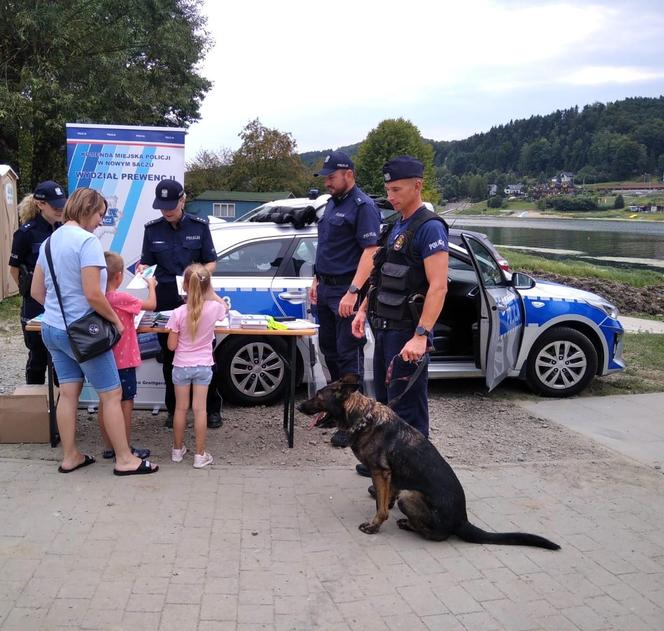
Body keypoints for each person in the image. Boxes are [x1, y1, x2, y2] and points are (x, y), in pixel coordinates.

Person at [31, 187, 158, 475]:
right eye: (100, 214)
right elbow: (93, 294)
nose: (101, 220)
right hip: (84, 333)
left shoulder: (49, 242)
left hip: (52, 328)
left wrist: (60, 311)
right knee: (112, 395)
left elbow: (36, 291)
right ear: (88, 209)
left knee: (68, 393)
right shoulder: (87, 242)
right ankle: (125, 459)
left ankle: (70, 456)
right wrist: (115, 321)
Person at [352, 156, 449, 477]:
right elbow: (379, 276)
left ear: (417, 185)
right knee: (386, 405)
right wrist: (363, 309)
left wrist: (421, 336)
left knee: (408, 410)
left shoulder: (429, 227)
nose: (390, 195)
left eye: (397, 189)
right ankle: (385, 463)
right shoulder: (396, 225)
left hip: (408, 333)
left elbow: (438, 287)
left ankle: (413, 477)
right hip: (384, 329)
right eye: (387, 189)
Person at [137, 179, 223, 429]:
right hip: (165, 302)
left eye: (171, 206)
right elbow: (146, 262)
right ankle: (174, 410)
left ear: (183, 200)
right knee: (170, 356)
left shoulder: (199, 226)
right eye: (162, 206)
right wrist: (143, 269)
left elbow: (211, 263)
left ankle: (211, 411)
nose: (166, 211)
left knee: (207, 357)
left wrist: (195, 278)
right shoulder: (152, 230)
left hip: (196, 300)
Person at [309, 151, 381, 447]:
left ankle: (354, 422)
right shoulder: (330, 205)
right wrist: (316, 278)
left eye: (331, 177)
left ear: (348, 174)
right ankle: (336, 410)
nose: (327, 182)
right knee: (329, 351)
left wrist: (353, 290)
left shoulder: (363, 206)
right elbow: (325, 246)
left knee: (347, 356)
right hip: (325, 288)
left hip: (346, 290)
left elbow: (371, 252)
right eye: (325, 178)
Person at [166, 264, 228, 468]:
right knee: (200, 410)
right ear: (207, 286)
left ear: (184, 286)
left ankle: (177, 450)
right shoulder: (214, 308)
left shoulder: (177, 313)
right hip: (203, 365)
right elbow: (224, 309)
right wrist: (210, 291)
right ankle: (200, 455)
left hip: (181, 366)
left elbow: (171, 346)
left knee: (180, 409)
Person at [97, 251, 157, 460]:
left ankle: (109, 446)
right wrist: (151, 285)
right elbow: (151, 305)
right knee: (125, 404)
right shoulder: (121, 297)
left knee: (104, 402)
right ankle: (124, 448)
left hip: (103, 358)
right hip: (123, 361)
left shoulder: (97, 298)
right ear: (119, 276)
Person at [8, 181, 65, 384]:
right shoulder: (25, 233)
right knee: (38, 358)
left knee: (61, 361)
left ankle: (60, 408)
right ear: (41, 205)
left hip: (60, 301)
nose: (60, 209)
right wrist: (28, 291)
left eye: (62, 204)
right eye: (55, 205)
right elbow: (14, 269)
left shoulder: (63, 230)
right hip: (35, 303)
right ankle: (36, 408)